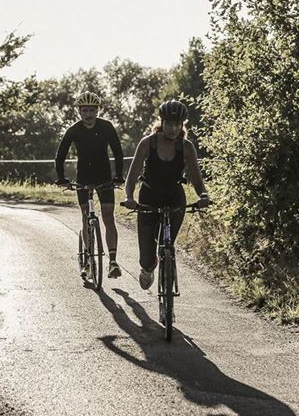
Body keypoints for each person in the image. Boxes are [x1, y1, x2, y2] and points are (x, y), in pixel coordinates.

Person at [122, 99, 211, 290]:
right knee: (146, 257)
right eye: (169, 124)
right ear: (161, 122)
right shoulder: (148, 143)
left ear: (183, 125)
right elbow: (132, 177)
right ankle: (148, 268)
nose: (173, 129)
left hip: (174, 198)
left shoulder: (186, 147)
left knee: (167, 245)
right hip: (149, 198)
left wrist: (203, 195)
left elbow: (197, 179)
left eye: (178, 124)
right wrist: (129, 197)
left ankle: (168, 294)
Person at [55, 91, 125, 278]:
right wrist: (61, 178)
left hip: (104, 177)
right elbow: (60, 156)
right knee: (86, 216)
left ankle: (112, 261)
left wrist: (119, 176)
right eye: (85, 110)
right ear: (79, 111)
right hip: (83, 177)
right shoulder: (74, 130)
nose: (88, 114)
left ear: (97, 111)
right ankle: (87, 258)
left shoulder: (106, 127)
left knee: (108, 216)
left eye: (92, 110)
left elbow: (118, 152)